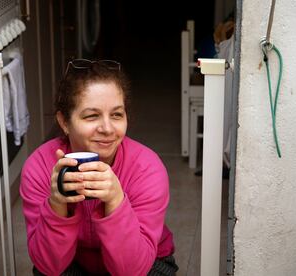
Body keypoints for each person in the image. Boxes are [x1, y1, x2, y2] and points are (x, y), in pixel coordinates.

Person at [20, 59, 178, 276]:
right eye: (92, 116)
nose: (107, 128)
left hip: (145, 262)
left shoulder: (147, 169)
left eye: (116, 115)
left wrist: (115, 200)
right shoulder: (40, 167)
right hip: (73, 262)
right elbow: (48, 266)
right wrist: (57, 203)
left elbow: (133, 270)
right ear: (64, 122)